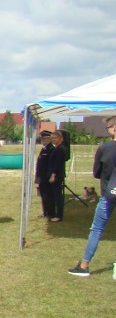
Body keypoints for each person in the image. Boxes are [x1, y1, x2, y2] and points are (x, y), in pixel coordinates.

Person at [68, 116, 116, 276]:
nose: (108, 131)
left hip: (108, 194)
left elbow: (96, 173)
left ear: (114, 128)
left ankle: (84, 265)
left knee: (96, 230)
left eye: (108, 128)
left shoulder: (105, 148)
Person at [47, 130, 69, 222]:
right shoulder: (57, 148)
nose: (53, 140)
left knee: (58, 196)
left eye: (55, 138)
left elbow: (57, 164)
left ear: (60, 139)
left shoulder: (60, 149)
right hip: (55, 174)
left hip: (56, 175)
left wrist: (53, 175)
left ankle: (59, 216)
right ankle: (54, 214)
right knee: (55, 195)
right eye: (52, 138)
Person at [34, 131, 55, 218]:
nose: (42, 140)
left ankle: (50, 212)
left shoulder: (50, 149)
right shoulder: (44, 148)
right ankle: (45, 212)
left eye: (44, 139)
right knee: (43, 195)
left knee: (47, 196)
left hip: (46, 176)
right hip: (41, 176)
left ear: (48, 139)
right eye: (42, 139)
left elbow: (50, 164)